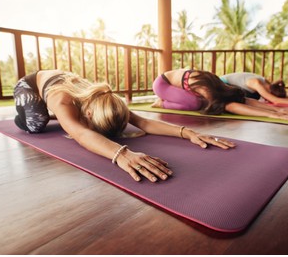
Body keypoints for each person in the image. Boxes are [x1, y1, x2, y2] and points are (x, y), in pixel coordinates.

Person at [13, 70, 236, 183]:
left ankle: (63, 118)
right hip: (32, 84)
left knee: (69, 121)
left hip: (67, 85)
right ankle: (39, 115)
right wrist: (121, 153)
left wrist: (188, 133)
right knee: (36, 124)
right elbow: (81, 133)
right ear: (88, 113)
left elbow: (144, 122)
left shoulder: (107, 101)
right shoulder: (62, 100)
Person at [152, 69, 288, 120]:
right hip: (163, 84)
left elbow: (244, 100)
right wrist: (268, 115)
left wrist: (277, 110)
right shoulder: (207, 89)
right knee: (195, 104)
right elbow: (230, 106)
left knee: (201, 102)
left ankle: (169, 98)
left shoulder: (220, 85)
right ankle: (162, 102)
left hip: (184, 86)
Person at [220, 72, 288, 106]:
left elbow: (278, 98)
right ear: (270, 92)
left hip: (232, 87)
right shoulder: (257, 83)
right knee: (252, 97)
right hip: (220, 85)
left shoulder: (267, 83)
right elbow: (275, 100)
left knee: (254, 96)